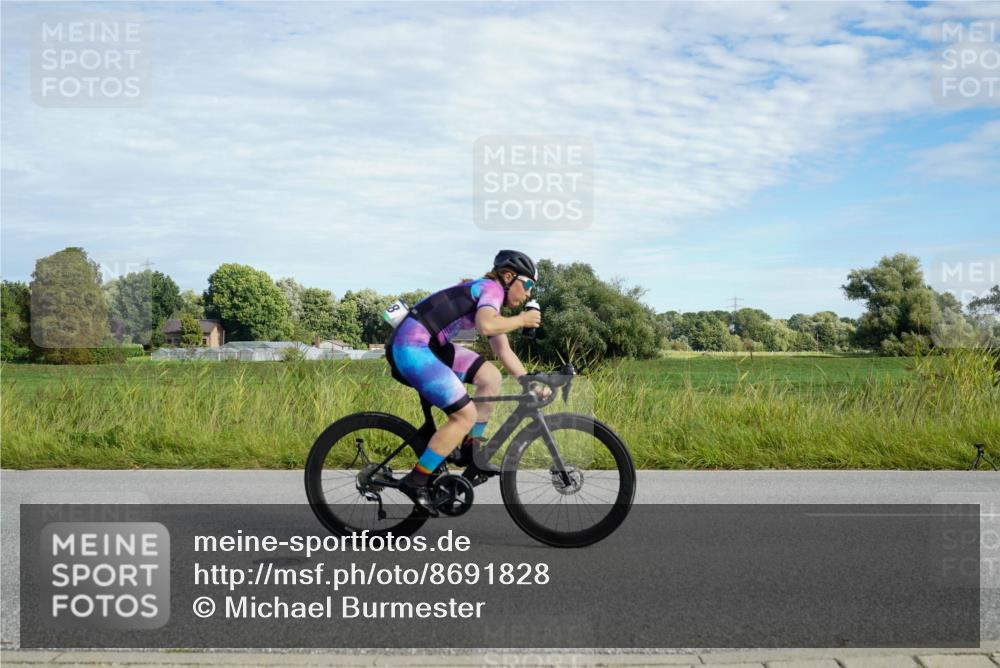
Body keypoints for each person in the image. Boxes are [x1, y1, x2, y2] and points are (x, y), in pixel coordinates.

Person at [385, 250, 544, 514]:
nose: (527, 293)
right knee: (463, 415)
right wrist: (522, 321)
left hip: (431, 345)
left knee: (490, 377)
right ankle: (416, 481)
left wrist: (529, 383)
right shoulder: (491, 289)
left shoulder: (491, 299)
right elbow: (485, 326)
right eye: (527, 285)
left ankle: (471, 448)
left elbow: (503, 351)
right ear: (508, 276)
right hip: (411, 346)